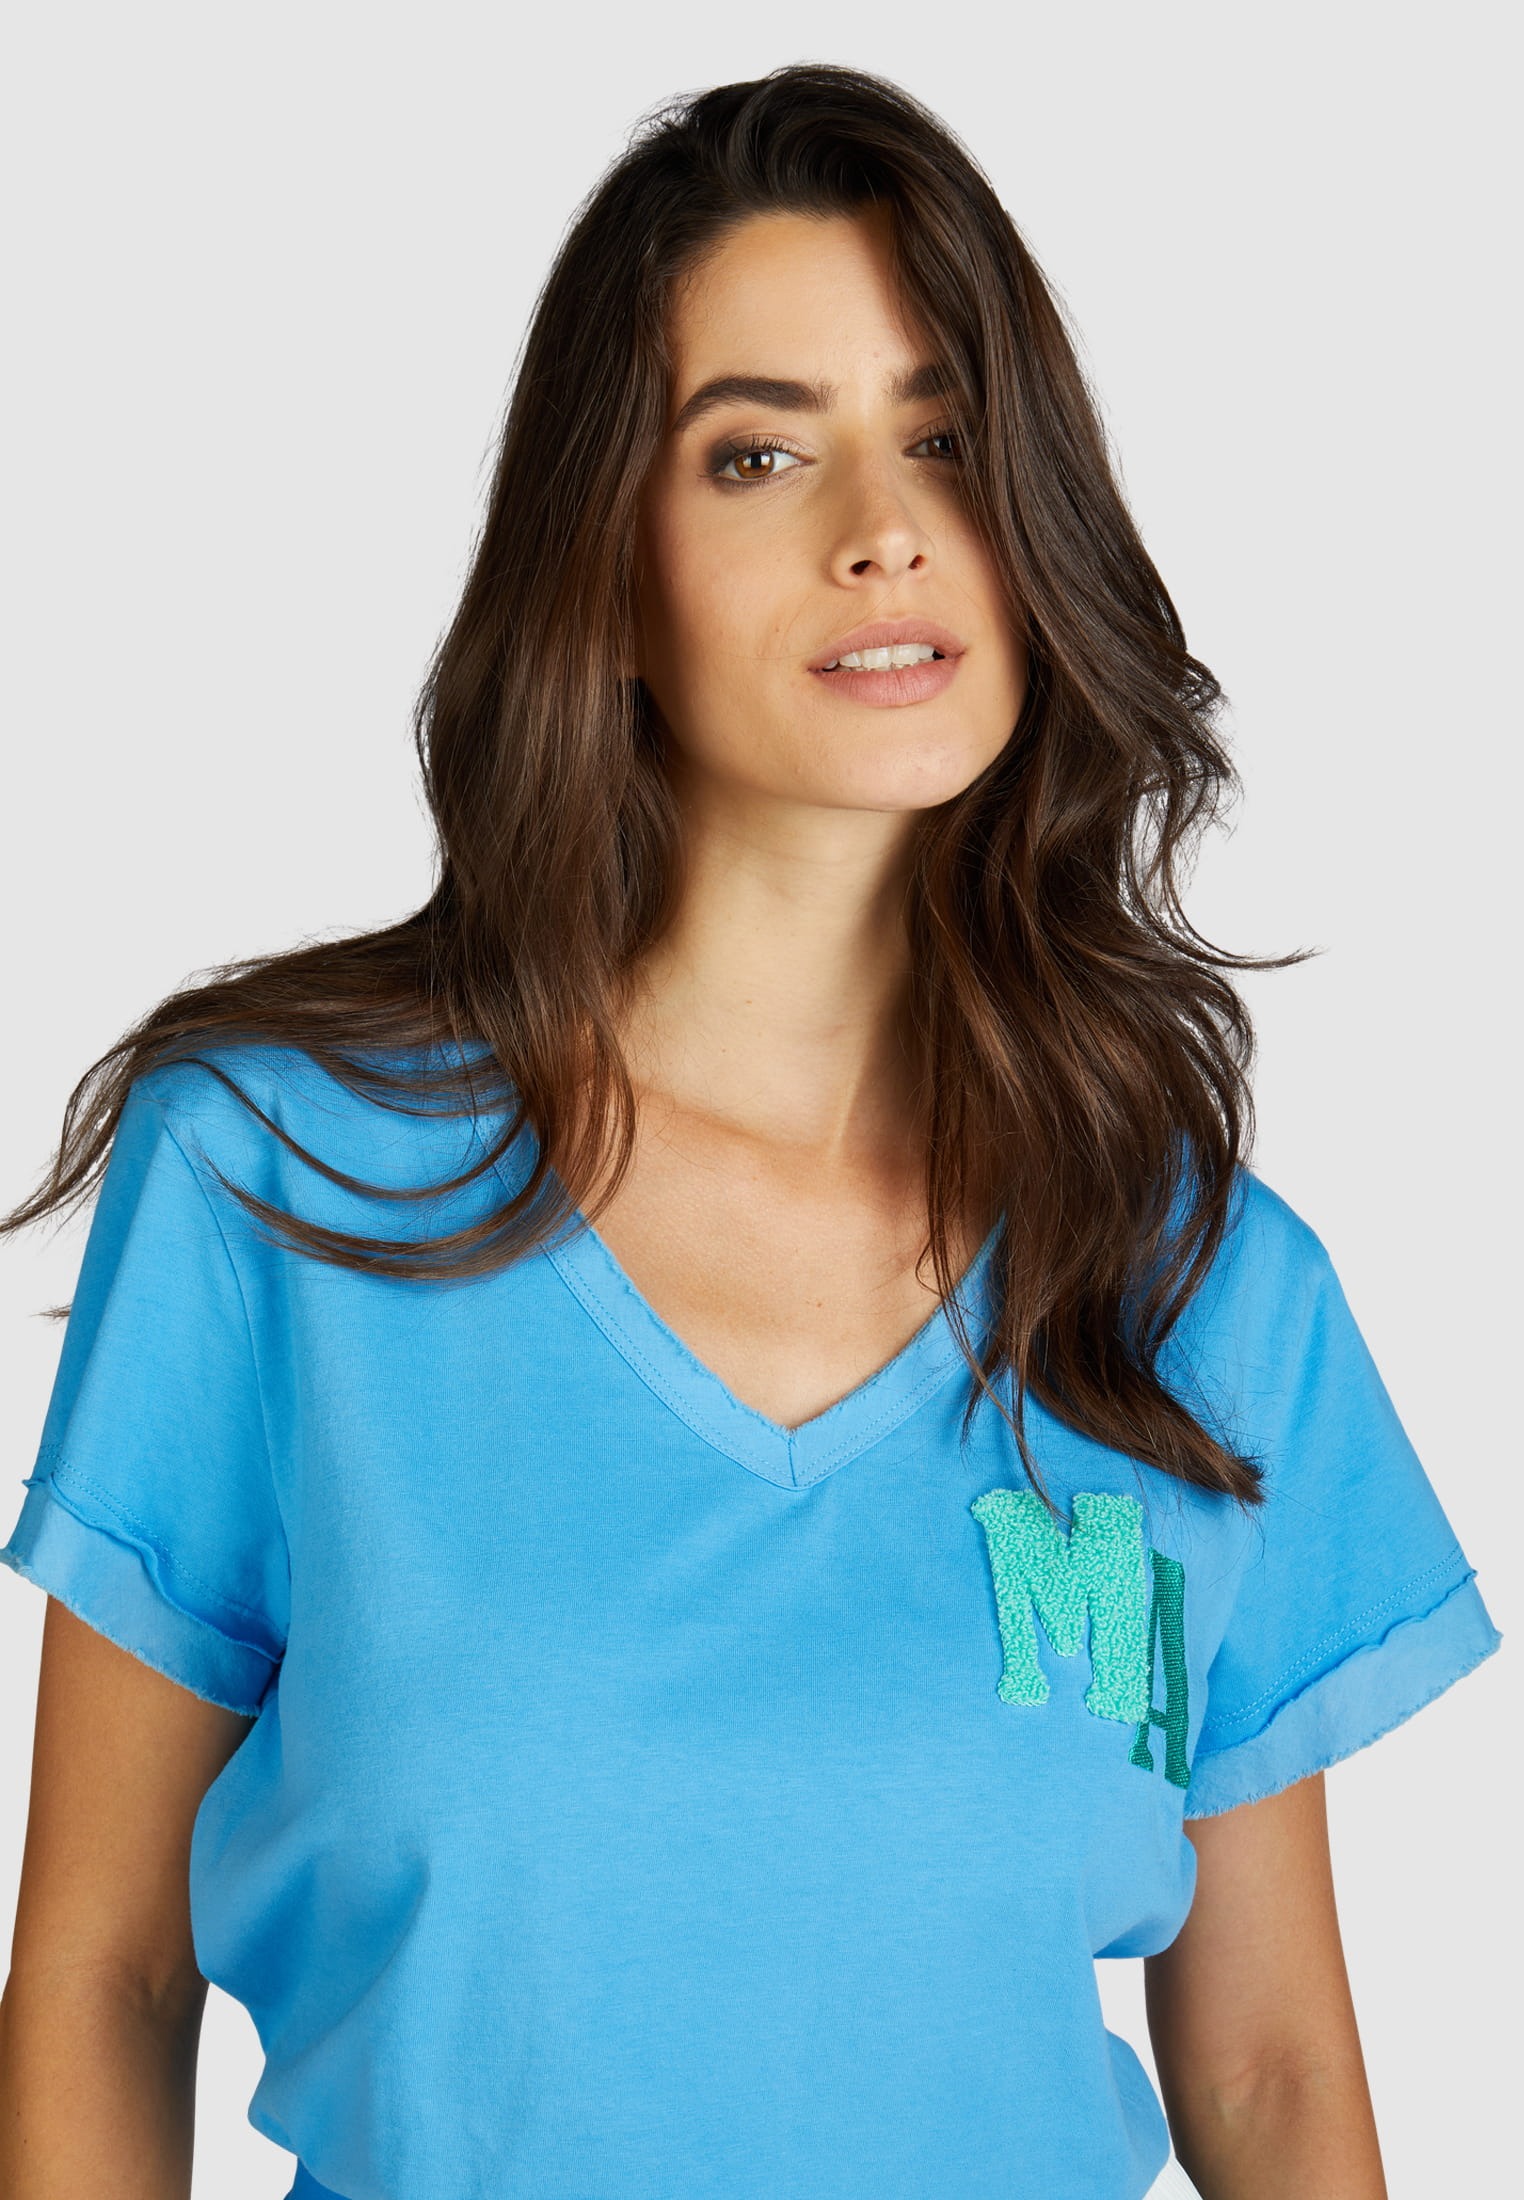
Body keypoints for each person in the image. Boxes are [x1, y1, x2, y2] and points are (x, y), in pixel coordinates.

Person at [0, 61, 1501, 2200]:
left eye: (946, 438)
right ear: (607, 567)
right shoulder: (280, 1177)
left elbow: (1265, 2073)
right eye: (759, 449)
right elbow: (101, 1973)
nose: (881, 524)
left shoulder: (1196, 1286)